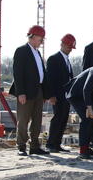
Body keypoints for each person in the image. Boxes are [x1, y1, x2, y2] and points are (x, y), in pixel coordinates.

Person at [9, 25, 53, 156]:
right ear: (33, 36)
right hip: (26, 92)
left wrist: (45, 93)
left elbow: (42, 74)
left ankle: (34, 146)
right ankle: (21, 146)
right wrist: (20, 92)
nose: (42, 41)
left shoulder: (37, 52)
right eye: (41, 38)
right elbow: (18, 73)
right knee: (23, 119)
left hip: (38, 90)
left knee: (37, 119)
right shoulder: (21, 51)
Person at [45, 34, 76, 153]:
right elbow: (50, 79)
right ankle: (51, 143)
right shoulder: (54, 59)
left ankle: (57, 143)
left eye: (71, 48)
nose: (69, 50)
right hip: (57, 95)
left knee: (63, 119)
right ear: (62, 44)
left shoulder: (67, 60)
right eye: (68, 47)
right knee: (57, 118)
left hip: (66, 96)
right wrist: (51, 95)